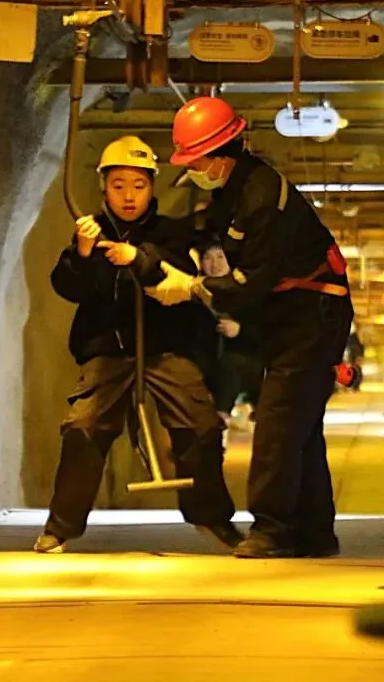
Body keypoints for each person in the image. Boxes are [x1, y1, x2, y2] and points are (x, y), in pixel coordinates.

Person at [146, 97, 355, 559]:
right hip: (295, 315)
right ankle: (314, 532)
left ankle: (272, 530)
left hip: (312, 315)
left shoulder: (262, 198)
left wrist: (193, 288)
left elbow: (248, 283)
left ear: (219, 155)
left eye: (194, 160)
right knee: (300, 427)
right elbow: (204, 227)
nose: (191, 169)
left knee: (278, 424)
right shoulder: (237, 188)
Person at [35, 135, 241, 554]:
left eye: (138, 185)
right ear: (103, 187)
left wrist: (139, 258)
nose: (128, 196)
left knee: (200, 425)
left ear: (151, 187)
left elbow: (178, 274)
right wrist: (82, 252)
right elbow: (68, 287)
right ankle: (60, 527)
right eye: (118, 186)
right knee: (82, 427)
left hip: (166, 348)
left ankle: (212, 517)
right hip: (109, 349)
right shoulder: (89, 232)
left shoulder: (172, 232)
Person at [196, 238, 263, 430]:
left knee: (232, 363)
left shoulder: (247, 293)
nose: (214, 264)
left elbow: (265, 331)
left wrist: (240, 330)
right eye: (208, 258)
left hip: (246, 364)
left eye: (220, 257)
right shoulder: (196, 293)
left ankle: (223, 414)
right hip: (207, 363)